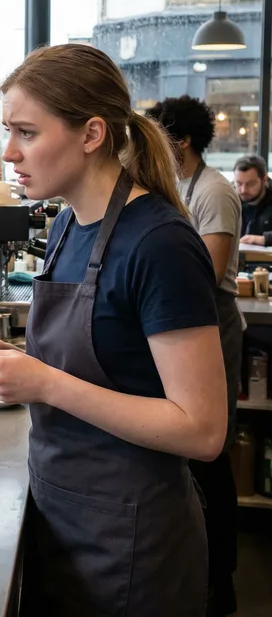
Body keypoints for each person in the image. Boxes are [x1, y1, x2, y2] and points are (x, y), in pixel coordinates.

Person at [0, 44, 226, 616]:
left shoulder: (160, 244)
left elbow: (202, 430)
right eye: (9, 131)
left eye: (26, 132)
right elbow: (102, 360)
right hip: (58, 514)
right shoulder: (65, 230)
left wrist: (45, 383)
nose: (8, 153)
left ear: (92, 133)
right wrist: (10, 361)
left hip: (132, 539)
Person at [145, 95, 242, 616]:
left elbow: (204, 271)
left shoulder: (215, 192)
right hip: (189, 317)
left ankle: (220, 579)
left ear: (180, 141)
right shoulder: (181, 185)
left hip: (214, 320)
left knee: (213, 451)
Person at [233, 154, 272, 246]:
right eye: (239, 183)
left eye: (251, 184)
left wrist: (265, 239)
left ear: (264, 179)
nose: (243, 190)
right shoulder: (228, 197)